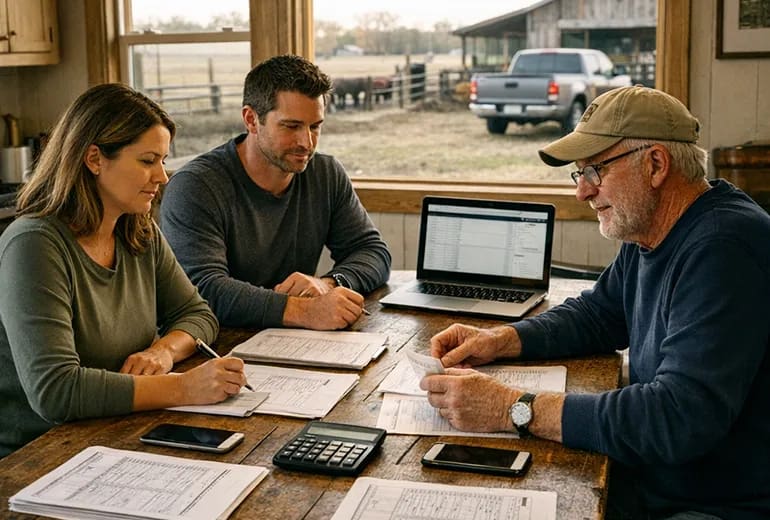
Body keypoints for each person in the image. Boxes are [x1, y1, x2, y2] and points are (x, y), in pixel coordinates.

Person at [420, 86, 770, 519]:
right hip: (656, 477)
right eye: (579, 174)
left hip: (714, 504)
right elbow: (598, 316)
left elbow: (677, 417)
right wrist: (499, 339)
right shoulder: (653, 228)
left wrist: (510, 407)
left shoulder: (723, 247)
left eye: (595, 171)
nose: (582, 192)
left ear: (655, 164)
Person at [0, 84, 250, 458]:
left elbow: (197, 314)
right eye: (148, 161)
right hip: (39, 453)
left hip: (120, 430)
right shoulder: (34, 245)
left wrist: (164, 352)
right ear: (95, 159)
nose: (162, 177)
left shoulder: (138, 229)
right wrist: (183, 387)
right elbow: (55, 392)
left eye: (163, 161)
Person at [160, 54, 391, 331]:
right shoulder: (195, 186)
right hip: (214, 350)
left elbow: (373, 252)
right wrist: (303, 310)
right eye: (291, 126)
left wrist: (328, 283)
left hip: (294, 343)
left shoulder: (326, 173)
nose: (306, 142)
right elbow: (203, 289)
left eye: (315, 126)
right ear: (251, 119)